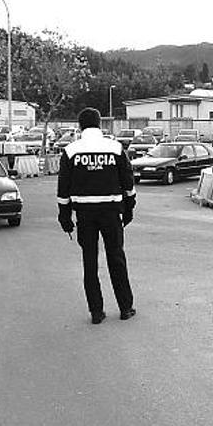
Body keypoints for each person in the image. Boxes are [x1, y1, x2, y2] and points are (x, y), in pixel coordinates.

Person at [57, 108, 137, 325]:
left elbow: (63, 188)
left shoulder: (71, 151)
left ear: (80, 126)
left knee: (89, 262)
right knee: (116, 258)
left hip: (85, 215)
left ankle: (96, 312)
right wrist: (129, 208)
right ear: (100, 124)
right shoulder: (115, 148)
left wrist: (65, 217)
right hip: (111, 212)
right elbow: (128, 182)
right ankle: (126, 307)